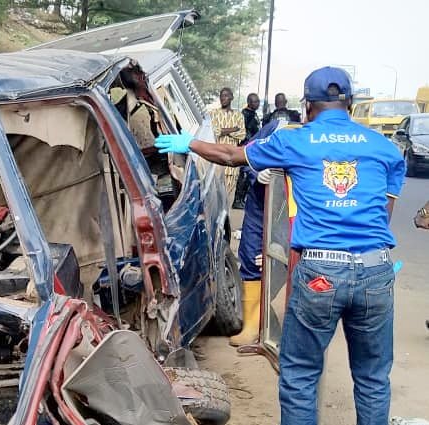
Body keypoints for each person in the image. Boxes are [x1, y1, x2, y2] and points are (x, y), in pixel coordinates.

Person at [155, 66, 405, 425]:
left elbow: (231, 156)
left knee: (301, 373)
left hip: (321, 272)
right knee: (372, 377)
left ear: (307, 107)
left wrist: (188, 143)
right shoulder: (386, 148)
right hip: (376, 271)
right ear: (350, 104)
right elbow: (384, 215)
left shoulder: (294, 140)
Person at [229, 119, 281, 347]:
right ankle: (251, 326)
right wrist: (256, 172)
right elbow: (246, 155)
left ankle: (271, 321)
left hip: (291, 207)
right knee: (251, 257)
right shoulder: (278, 127)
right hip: (261, 205)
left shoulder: (317, 138)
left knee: (279, 260)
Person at [209, 87, 246, 197]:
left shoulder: (238, 115)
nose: (222, 98)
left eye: (225, 96)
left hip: (231, 161)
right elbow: (215, 132)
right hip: (216, 158)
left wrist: (223, 131)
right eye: (221, 96)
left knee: (228, 196)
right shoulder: (213, 114)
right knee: (215, 195)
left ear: (231, 98)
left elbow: (242, 134)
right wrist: (233, 129)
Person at [233, 93, 262, 209]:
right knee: (244, 174)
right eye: (255, 102)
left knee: (247, 173)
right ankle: (238, 200)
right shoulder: (245, 115)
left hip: (251, 146)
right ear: (249, 102)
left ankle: (241, 199)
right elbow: (243, 132)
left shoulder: (253, 114)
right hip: (246, 147)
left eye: (258, 101)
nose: (257, 104)